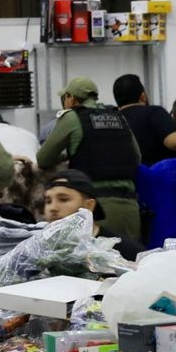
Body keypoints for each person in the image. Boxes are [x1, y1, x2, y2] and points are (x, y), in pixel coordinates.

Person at [36, 77, 141, 235]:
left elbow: (43, 159)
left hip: (96, 208)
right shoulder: (118, 116)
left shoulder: (72, 117)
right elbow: (137, 157)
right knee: (132, 257)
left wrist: (67, 154)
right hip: (130, 206)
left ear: (71, 99)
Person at [40, 169, 145, 261]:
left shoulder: (127, 253)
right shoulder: (39, 250)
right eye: (48, 201)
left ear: (89, 205)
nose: (52, 208)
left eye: (63, 199)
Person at [114, 74, 176, 163]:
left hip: (128, 175)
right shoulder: (154, 112)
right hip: (160, 174)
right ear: (143, 97)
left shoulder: (113, 119)